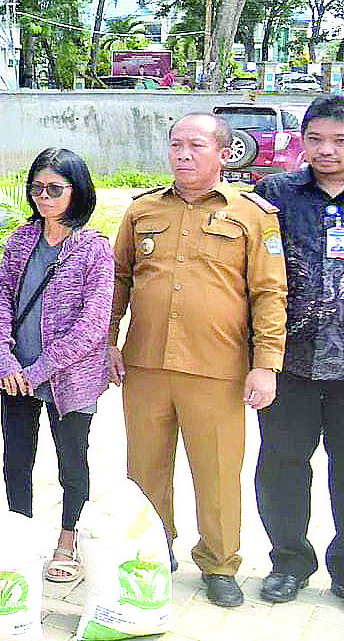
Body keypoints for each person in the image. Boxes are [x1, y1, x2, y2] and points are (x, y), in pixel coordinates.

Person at [109, 112, 287, 607]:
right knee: (144, 469)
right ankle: (151, 551)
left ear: (223, 154)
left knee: (216, 471)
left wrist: (266, 362)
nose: (183, 155)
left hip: (219, 367)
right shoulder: (142, 211)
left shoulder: (253, 214)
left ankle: (219, 563)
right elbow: (119, 278)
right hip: (146, 364)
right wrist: (108, 341)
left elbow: (270, 292)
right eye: (176, 145)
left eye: (196, 146)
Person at [0, 148, 113, 585]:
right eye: (37, 188)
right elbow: (1, 300)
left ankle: (67, 539)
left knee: (71, 462)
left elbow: (94, 324)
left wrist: (37, 370)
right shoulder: (21, 238)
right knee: (16, 458)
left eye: (55, 189)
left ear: (76, 191)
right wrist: (4, 359)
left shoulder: (94, 247)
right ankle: (19, 534)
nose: (44, 197)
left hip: (68, 379)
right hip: (14, 372)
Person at [251, 94, 344, 604]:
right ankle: (289, 560)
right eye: (315, 139)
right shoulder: (277, 194)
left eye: (338, 141)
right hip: (291, 360)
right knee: (284, 463)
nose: (325, 150)